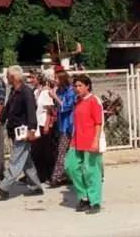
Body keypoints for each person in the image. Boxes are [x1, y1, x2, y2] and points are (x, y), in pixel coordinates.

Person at [0, 65, 43, 199]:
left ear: (13, 77)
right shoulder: (14, 91)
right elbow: (7, 109)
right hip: (15, 131)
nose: (7, 78)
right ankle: (36, 186)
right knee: (26, 162)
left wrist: (32, 129)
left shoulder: (26, 92)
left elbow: (32, 111)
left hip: (24, 132)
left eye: (8, 76)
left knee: (15, 160)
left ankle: (4, 187)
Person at [65, 74, 104, 214]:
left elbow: (99, 123)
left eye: (80, 85)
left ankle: (95, 201)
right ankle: (84, 196)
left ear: (87, 86)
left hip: (91, 140)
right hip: (77, 140)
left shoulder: (94, 101)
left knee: (91, 171)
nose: (77, 88)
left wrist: (96, 141)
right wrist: (71, 141)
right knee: (71, 166)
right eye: (75, 86)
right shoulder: (78, 101)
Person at [28, 71, 57, 184]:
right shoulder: (36, 91)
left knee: (47, 151)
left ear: (39, 79)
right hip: (37, 123)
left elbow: (49, 109)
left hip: (44, 123)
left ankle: (50, 174)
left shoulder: (45, 92)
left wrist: (46, 125)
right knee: (37, 151)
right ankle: (41, 174)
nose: (31, 80)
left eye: (33, 78)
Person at [49, 70, 76, 186]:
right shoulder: (59, 90)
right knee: (64, 151)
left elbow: (66, 106)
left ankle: (56, 177)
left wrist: (55, 96)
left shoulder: (70, 91)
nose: (54, 80)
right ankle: (66, 176)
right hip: (61, 125)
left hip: (69, 125)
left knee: (62, 151)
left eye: (56, 78)